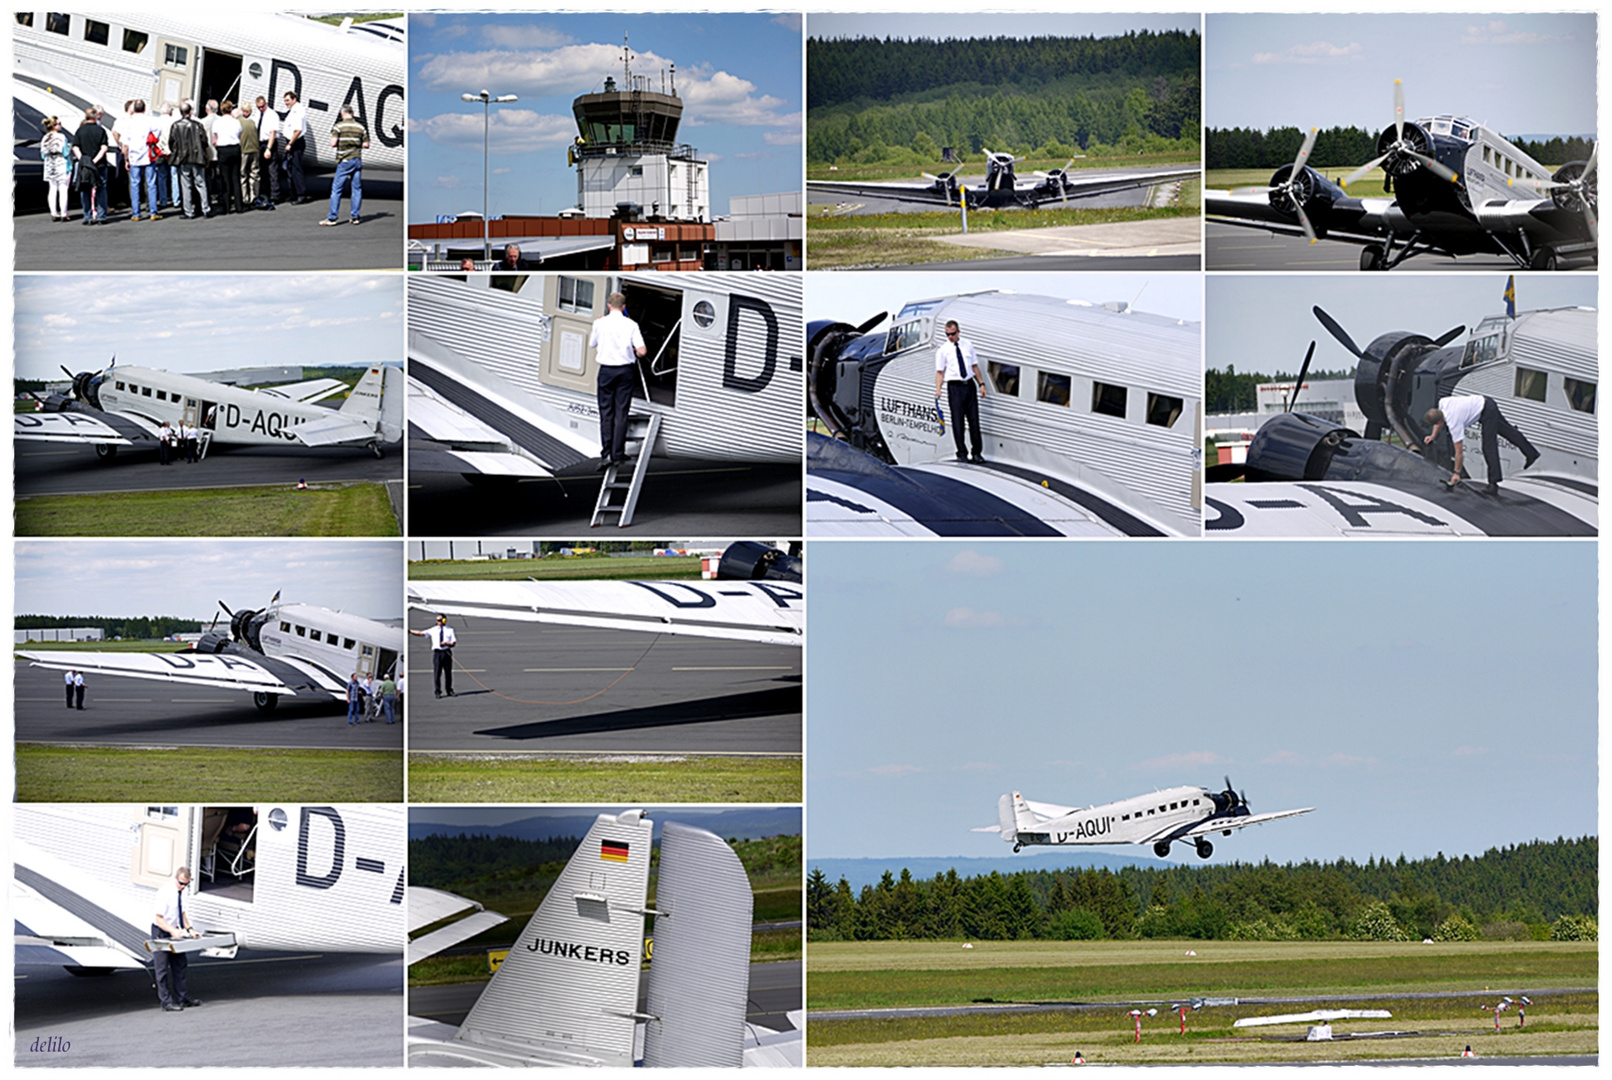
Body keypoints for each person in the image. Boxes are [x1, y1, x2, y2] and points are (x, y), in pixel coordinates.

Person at [1423, 394, 1540, 496]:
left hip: (1487, 411)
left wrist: (1456, 473)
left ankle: (1493, 484)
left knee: (1488, 447)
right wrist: (1433, 436)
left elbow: (1459, 452)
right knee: (1508, 432)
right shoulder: (1443, 402)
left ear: (1439, 421)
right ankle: (1531, 453)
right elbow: (1438, 422)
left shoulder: (1454, 422)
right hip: (1485, 402)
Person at [589, 292, 646, 470]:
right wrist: (636, 351)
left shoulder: (599, 323)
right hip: (625, 371)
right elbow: (642, 351)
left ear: (608, 305)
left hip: (606, 371)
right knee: (621, 413)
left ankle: (606, 454)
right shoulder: (632, 325)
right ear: (624, 307)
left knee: (606, 413)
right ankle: (618, 453)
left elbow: (592, 344)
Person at [934, 319, 988, 463]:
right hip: (955, 387)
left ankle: (977, 452)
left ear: (958, 332)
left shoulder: (967, 345)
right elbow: (940, 372)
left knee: (974, 420)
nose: (950, 337)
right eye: (947, 334)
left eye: (952, 334)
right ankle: (961, 452)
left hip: (969, 385)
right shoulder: (943, 350)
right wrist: (938, 389)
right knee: (958, 422)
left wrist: (981, 384)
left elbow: (974, 367)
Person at [151, 867, 202, 1012]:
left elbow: (183, 912)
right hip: (162, 931)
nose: (183, 886)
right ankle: (166, 1002)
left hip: (175, 930)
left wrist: (190, 929)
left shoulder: (182, 892)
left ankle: (183, 998)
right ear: (175, 878)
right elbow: (158, 918)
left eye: (186, 884)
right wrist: (172, 930)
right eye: (181, 883)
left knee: (180, 965)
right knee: (162, 969)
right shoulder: (164, 893)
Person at [115, 99, 160, 221]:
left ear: (134, 109)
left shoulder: (129, 122)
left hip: (134, 156)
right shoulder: (150, 120)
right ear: (145, 109)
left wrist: (126, 159)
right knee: (151, 183)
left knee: (135, 184)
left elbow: (125, 143)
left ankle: (136, 213)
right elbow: (157, 135)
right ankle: (153, 211)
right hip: (148, 155)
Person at [324, 105, 368, 225]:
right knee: (357, 189)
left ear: (342, 114)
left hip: (344, 160)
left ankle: (333, 217)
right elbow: (366, 144)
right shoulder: (360, 127)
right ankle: (355, 217)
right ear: (352, 114)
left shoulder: (338, 127)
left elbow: (333, 143)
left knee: (336, 189)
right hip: (357, 160)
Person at [168, 102, 212, 220]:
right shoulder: (198, 125)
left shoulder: (176, 125)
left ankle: (188, 211)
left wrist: (176, 152)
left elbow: (172, 142)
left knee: (186, 185)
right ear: (190, 112)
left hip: (183, 158)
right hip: (197, 157)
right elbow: (204, 141)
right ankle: (206, 209)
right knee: (201, 183)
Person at [70, 106, 109, 225]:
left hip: (85, 164)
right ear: (96, 116)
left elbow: (75, 146)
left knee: (85, 189)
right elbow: (104, 147)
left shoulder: (80, 131)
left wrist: (82, 159)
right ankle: (101, 216)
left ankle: (87, 216)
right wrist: (95, 160)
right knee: (101, 189)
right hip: (99, 164)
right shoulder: (100, 130)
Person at [410, 614, 457, 697]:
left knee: (448, 673)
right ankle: (437, 691)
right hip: (437, 653)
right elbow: (421, 633)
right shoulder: (433, 630)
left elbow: (453, 642)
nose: (437, 622)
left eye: (439, 620)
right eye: (437, 620)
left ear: (444, 620)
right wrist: (410, 631)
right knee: (437, 674)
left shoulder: (450, 630)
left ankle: (449, 690)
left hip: (446, 652)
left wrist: (447, 643)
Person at [211, 100, 242, 215]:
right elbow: (240, 136)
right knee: (235, 177)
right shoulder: (236, 122)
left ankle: (227, 207)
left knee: (225, 178)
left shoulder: (217, 123)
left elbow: (214, 139)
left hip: (223, 149)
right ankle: (239, 205)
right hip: (234, 148)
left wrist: (217, 147)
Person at [280, 90, 309, 203]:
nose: (286, 103)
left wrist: (290, 144)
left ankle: (301, 194)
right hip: (293, 142)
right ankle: (294, 193)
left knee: (296, 169)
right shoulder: (294, 110)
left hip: (295, 143)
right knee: (291, 168)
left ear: (294, 99)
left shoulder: (297, 111)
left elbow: (298, 130)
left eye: (287, 100)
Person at [41, 117, 71, 221]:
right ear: (54, 125)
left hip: (49, 165)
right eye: (59, 123)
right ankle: (64, 213)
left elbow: (43, 155)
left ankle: (54, 213)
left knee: (52, 189)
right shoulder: (61, 136)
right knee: (63, 189)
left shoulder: (45, 138)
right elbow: (65, 152)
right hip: (61, 163)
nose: (60, 125)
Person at [237, 104, 261, 210]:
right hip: (255, 149)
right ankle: (254, 196)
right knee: (254, 174)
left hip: (244, 150)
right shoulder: (254, 121)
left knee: (243, 175)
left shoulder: (238, 121)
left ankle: (245, 197)